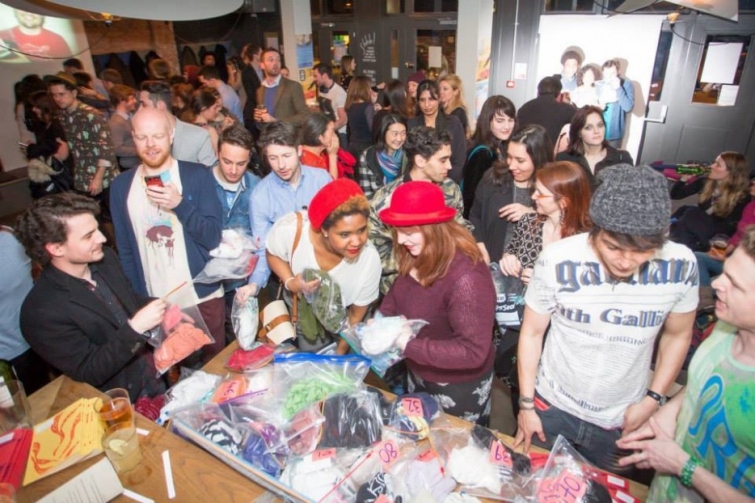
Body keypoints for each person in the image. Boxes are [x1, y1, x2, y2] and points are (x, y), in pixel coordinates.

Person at [513, 164, 698, 476]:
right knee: (534, 485)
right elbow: (532, 332)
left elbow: (677, 335)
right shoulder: (558, 258)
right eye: (612, 247)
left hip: (623, 417)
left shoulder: (681, 265)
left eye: (642, 252)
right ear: (595, 230)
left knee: (610, 492)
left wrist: (652, 399)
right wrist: (527, 405)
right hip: (552, 406)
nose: (625, 260)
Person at [617, 226, 755, 502]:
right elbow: (703, 380)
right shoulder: (727, 325)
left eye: (735, 284)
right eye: (725, 272)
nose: (716, 284)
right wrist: (667, 413)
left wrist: (684, 466)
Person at [17, 193, 167, 401]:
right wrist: (136, 329)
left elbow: (126, 301)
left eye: (97, 229)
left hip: (154, 375)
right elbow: (89, 370)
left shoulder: (106, 260)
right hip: (121, 402)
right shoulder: (39, 312)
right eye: (88, 236)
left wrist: (161, 308)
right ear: (56, 248)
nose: (102, 238)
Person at [110, 107, 225, 363]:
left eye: (158, 136)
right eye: (142, 137)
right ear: (133, 137)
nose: (150, 145)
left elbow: (213, 238)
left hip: (202, 296)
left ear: (171, 135)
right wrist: (140, 300)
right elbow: (125, 251)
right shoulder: (121, 187)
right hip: (157, 304)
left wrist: (180, 204)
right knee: (176, 375)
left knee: (215, 368)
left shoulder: (197, 175)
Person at [378, 181, 496, 424]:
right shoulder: (419, 251)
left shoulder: (467, 278)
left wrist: (407, 344)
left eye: (408, 232)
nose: (400, 240)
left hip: (458, 388)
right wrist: (383, 321)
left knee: (455, 445)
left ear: (434, 229)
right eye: (397, 230)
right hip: (419, 372)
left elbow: (473, 352)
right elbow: (398, 293)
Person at [266, 179, 381, 353]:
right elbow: (272, 252)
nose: (356, 242)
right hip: (306, 314)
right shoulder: (291, 230)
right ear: (324, 230)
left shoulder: (369, 259)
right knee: (310, 362)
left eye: (361, 230)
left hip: (347, 321)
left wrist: (339, 355)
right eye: (345, 234)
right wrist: (290, 282)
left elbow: (356, 315)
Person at [370, 126, 474, 294]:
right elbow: (376, 254)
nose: (449, 166)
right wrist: (422, 260)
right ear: (420, 161)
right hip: (403, 286)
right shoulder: (385, 199)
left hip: (446, 280)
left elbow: (459, 229)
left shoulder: (450, 189)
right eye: (442, 160)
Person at [241, 121, 332, 301]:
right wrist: (254, 284)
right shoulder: (260, 196)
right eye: (273, 158)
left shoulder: (321, 180)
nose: (281, 165)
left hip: (327, 269)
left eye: (286, 155)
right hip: (285, 277)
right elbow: (264, 249)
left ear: (299, 150)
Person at [469, 124, 553, 267]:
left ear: (539, 159)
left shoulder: (552, 186)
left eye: (520, 161)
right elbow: (475, 215)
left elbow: (566, 223)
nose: (512, 166)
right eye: (509, 157)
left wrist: (533, 215)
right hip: (494, 266)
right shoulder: (493, 178)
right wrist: (479, 244)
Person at [45, 72, 119, 209]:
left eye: (61, 94)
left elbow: (106, 148)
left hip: (104, 177)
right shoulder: (63, 115)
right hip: (82, 176)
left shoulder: (91, 114)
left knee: (115, 214)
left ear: (74, 93)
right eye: (54, 95)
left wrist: (98, 177)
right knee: (88, 214)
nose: (58, 99)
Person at [0, 226, 49, 395]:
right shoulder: (12, 236)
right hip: (39, 337)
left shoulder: (12, 238)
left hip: (16, 354)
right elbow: (38, 271)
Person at [670, 152, 750, 252]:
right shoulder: (705, 182)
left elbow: (728, 229)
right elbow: (675, 195)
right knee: (685, 210)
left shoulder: (742, 197)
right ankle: (679, 246)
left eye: (718, 165)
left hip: (716, 236)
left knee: (691, 214)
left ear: (731, 172)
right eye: (714, 162)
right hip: (697, 227)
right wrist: (684, 178)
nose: (712, 166)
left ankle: (676, 246)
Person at [139, 80, 217, 167]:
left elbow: (209, 172)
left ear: (160, 106)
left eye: (144, 105)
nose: (139, 110)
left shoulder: (199, 136)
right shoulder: (144, 139)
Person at [695, 175, 755, 287]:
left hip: (749, 270)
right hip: (735, 260)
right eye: (752, 182)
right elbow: (738, 236)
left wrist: (727, 259)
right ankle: (705, 294)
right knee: (698, 257)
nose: (752, 185)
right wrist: (723, 252)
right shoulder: (750, 207)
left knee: (716, 284)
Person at [462, 95, 517, 216]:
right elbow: (471, 196)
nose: (507, 126)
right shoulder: (482, 154)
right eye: (500, 121)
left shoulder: (501, 147)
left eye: (510, 120)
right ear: (488, 121)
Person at [556, 105, 634, 188]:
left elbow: (630, 192)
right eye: (588, 128)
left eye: (600, 125)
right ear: (579, 133)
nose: (596, 131)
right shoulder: (564, 159)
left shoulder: (621, 158)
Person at [407, 80, 466, 183]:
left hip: (448, 180)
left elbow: (459, 159)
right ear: (418, 102)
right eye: (422, 100)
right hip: (419, 183)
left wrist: (446, 184)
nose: (427, 105)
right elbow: (409, 160)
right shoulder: (412, 125)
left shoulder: (453, 123)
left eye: (431, 99)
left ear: (439, 99)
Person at [516, 76, 575, 152]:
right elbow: (580, 121)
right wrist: (568, 104)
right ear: (559, 95)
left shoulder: (524, 108)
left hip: (526, 151)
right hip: (552, 155)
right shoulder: (566, 110)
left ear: (538, 92)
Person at [357, 113, 407, 199]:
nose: (399, 138)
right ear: (383, 132)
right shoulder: (368, 156)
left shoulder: (409, 154)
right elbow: (366, 194)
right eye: (395, 134)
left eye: (403, 133)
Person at [254, 48, 310, 126]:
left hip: (287, 133)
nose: (275, 63)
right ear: (262, 65)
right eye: (271, 60)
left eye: (278, 60)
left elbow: (305, 116)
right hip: (268, 133)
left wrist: (276, 121)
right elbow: (262, 125)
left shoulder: (293, 86)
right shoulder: (260, 91)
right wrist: (258, 120)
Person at [0, 9, 71, 58]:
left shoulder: (57, 40)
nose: (29, 13)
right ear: (15, 11)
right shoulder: (2, 36)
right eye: (23, 7)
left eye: (35, 9)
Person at [597, 59, 634, 148]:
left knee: (612, 156)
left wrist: (618, 88)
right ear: (603, 73)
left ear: (618, 72)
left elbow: (628, 107)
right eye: (606, 73)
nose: (609, 76)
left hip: (614, 133)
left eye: (612, 73)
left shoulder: (626, 84)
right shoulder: (599, 85)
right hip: (597, 130)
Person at [313, 64, 348, 146]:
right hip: (326, 133)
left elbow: (343, 120)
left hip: (339, 135)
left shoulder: (339, 93)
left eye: (315, 76)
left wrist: (327, 130)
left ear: (324, 76)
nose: (314, 79)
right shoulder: (321, 89)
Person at [107, 84, 139, 170]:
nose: (135, 101)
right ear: (121, 100)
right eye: (132, 98)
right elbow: (117, 148)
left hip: (136, 164)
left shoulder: (129, 117)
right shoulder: (116, 123)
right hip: (129, 166)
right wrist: (140, 151)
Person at [299, 113, 340, 179]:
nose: (335, 135)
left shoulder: (317, 153)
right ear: (320, 137)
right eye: (332, 131)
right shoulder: (308, 162)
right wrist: (332, 155)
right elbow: (330, 184)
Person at [344, 75, 375, 158]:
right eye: (369, 87)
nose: (370, 90)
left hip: (353, 145)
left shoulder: (350, 106)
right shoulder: (367, 107)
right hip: (366, 147)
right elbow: (373, 129)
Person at [240, 44, 263, 134]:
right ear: (255, 55)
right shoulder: (246, 72)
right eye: (261, 53)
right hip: (253, 110)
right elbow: (251, 94)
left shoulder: (263, 69)